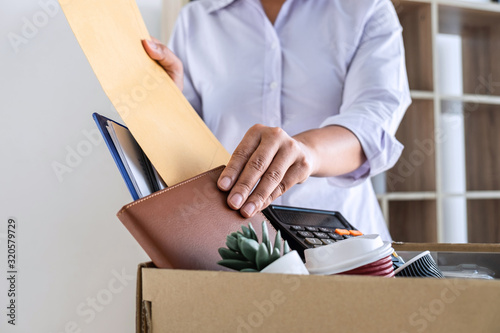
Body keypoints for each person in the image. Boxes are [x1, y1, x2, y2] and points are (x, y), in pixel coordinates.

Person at [142, 0, 411, 240]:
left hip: (343, 242)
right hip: (233, 241)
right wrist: (171, 105)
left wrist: (307, 152)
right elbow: (187, 149)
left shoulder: (365, 7)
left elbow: (373, 124)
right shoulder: (195, 19)